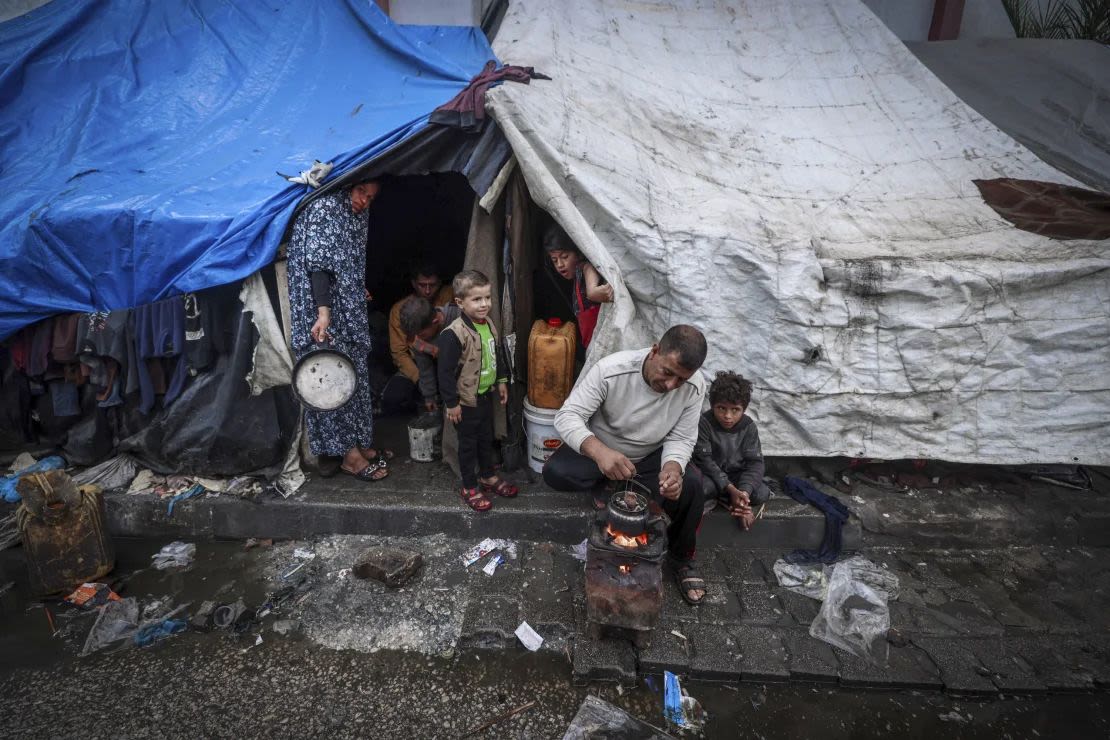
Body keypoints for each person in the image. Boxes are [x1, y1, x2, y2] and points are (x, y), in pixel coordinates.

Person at [543, 325, 709, 605]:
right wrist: (600, 452)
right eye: (667, 372)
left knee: (692, 485)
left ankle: (682, 559)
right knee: (556, 472)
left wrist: (672, 467)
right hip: (604, 449)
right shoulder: (612, 369)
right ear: (655, 350)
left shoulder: (694, 386)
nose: (670, 385)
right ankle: (611, 481)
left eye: (680, 379)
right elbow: (567, 416)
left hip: (649, 456)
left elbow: (682, 437)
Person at [287, 181, 390, 482]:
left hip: (343, 309)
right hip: (321, 313)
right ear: (349, 186)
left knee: (353, 371)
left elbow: (343, 262)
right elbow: (318, 266)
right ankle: (348, 456)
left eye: (371, 198)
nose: (365, 202)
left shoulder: (355, 215)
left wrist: (355, 287)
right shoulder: (325, 208)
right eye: (361, 193)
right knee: (330, 376)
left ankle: (358, 442)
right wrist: (323, 312)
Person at [436, 270, 518, 511]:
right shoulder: (453, 334)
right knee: (468, 444)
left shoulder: (489, 323)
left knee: (485, 439)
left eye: (487, 298)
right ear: (460, 302)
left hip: (484, 396)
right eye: (477, 299)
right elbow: (445, 373)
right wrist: (452, 403)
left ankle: (488, 476)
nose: (484, 304)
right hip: (464, 403)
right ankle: (470, 485)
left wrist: (501, 380)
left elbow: (497, 353)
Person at [692, 371, 770, 530]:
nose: (728, 416)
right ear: (712, 405)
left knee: (761, 493)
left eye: (735, 410)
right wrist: (730, 488)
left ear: (744, 409)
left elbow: (755, 463)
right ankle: (728, 496)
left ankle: (735, 500)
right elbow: (704, 460)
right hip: (711, 476)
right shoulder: (704, 422)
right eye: (721, 408)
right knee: (702, 488)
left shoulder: (748, 427)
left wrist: (744, 493)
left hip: (736, 475)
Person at [384, 261, 454, 414]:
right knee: (394, 397)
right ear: (414, 284)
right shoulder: (400, 310)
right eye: (422, 285)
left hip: (449, 358)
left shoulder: (452, 298)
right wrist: (421, 382)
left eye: (432, 285)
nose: (428, 290)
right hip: (418, 362)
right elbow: (399, 353)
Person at [542, 224, 613, 347]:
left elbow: (589, 273)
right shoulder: (575, 279)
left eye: (564, 257)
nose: (559, 264)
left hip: (602, 342)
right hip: (590, 344)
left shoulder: (584, 267)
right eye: (554, 260)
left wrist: (592, 292)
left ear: (578, 254)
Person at [397, 294, 461, 412]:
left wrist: (436, 351)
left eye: (421, 335)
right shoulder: (419, 340)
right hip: (448, 385)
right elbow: (425, 370)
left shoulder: (458, 317)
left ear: (435, 321)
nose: (418, 339)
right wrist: (429, 397)